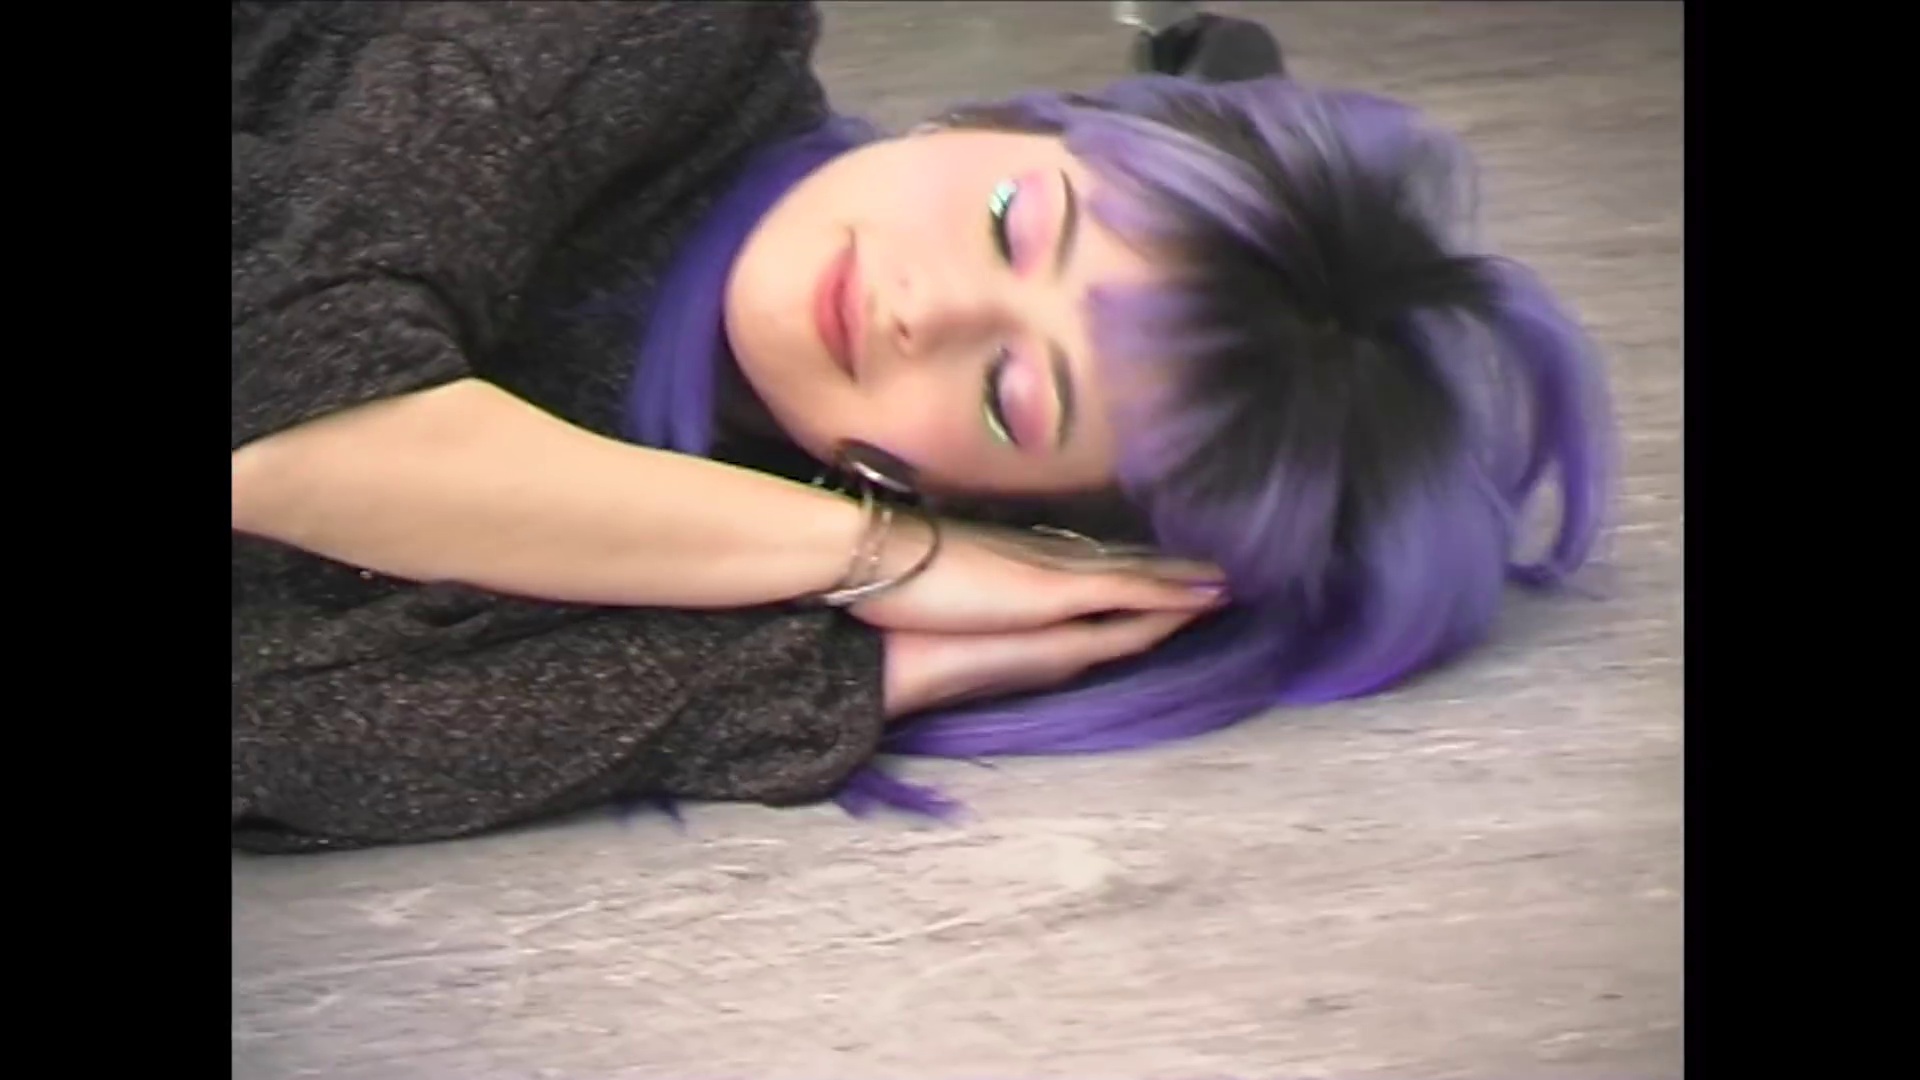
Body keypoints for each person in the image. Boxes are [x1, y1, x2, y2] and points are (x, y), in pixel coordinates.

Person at [231, 2, 1613, 853]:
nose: (926, 307)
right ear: (995, 124)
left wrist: (863, 667)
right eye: (1015, 219)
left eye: (1013, 396)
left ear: (1004, 514)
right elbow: (285, 418)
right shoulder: (667, 32)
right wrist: (880, 557)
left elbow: (278, 739)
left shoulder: (732, 558)